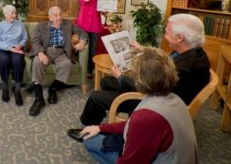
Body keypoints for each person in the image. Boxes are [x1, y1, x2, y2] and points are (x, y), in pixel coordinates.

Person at [75, 13, 210, 127]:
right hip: (160, 91)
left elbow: (150, 89)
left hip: (154, 103)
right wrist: (143, 49)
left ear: (179, 38)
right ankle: (105, 109)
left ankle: (88, 127)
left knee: (95, 96)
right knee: (106, 81)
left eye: (167, 33)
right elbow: (166, 59)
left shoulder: (184, 68)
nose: (164, 35)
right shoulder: (191, 52)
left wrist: (121, 77)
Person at [79, 47, 198, 163]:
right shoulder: (175, 99)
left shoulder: (146, 117)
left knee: (89, 140)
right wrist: (100, 128)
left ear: (139, 80)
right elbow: (133, 125)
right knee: (100, 134)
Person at [28, 6, 88, 116]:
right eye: (56, 15)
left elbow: (83, 33)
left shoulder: (68, 25)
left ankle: (53, 88)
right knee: (37, 63)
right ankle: (39, 99)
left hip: (61, 52)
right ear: (50, 17)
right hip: (46, 51)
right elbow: (35, 42)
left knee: (67, 64)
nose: (59, 17)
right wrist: (41, 53)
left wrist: (82, 42)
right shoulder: (41, 26)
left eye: (60, 14)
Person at [0, 5, 28, 106]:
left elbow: (24, 39)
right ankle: (5, 86)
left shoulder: (20, 24)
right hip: (3, 49)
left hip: (16, 48)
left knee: (18, 61)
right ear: (5, 15)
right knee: (4, 61)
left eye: (15, 13)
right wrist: (10, 48)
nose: (14, 15)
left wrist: (19, 45)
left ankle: (17, 89)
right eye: (11, 13)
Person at [75, 0, 106, 79]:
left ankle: (89, 70)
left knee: (93, 49)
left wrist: (107, 8)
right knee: (82, 46)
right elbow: (84, 1)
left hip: (95, 24)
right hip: (82, 23)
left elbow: (103, 10)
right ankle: (79, 68)